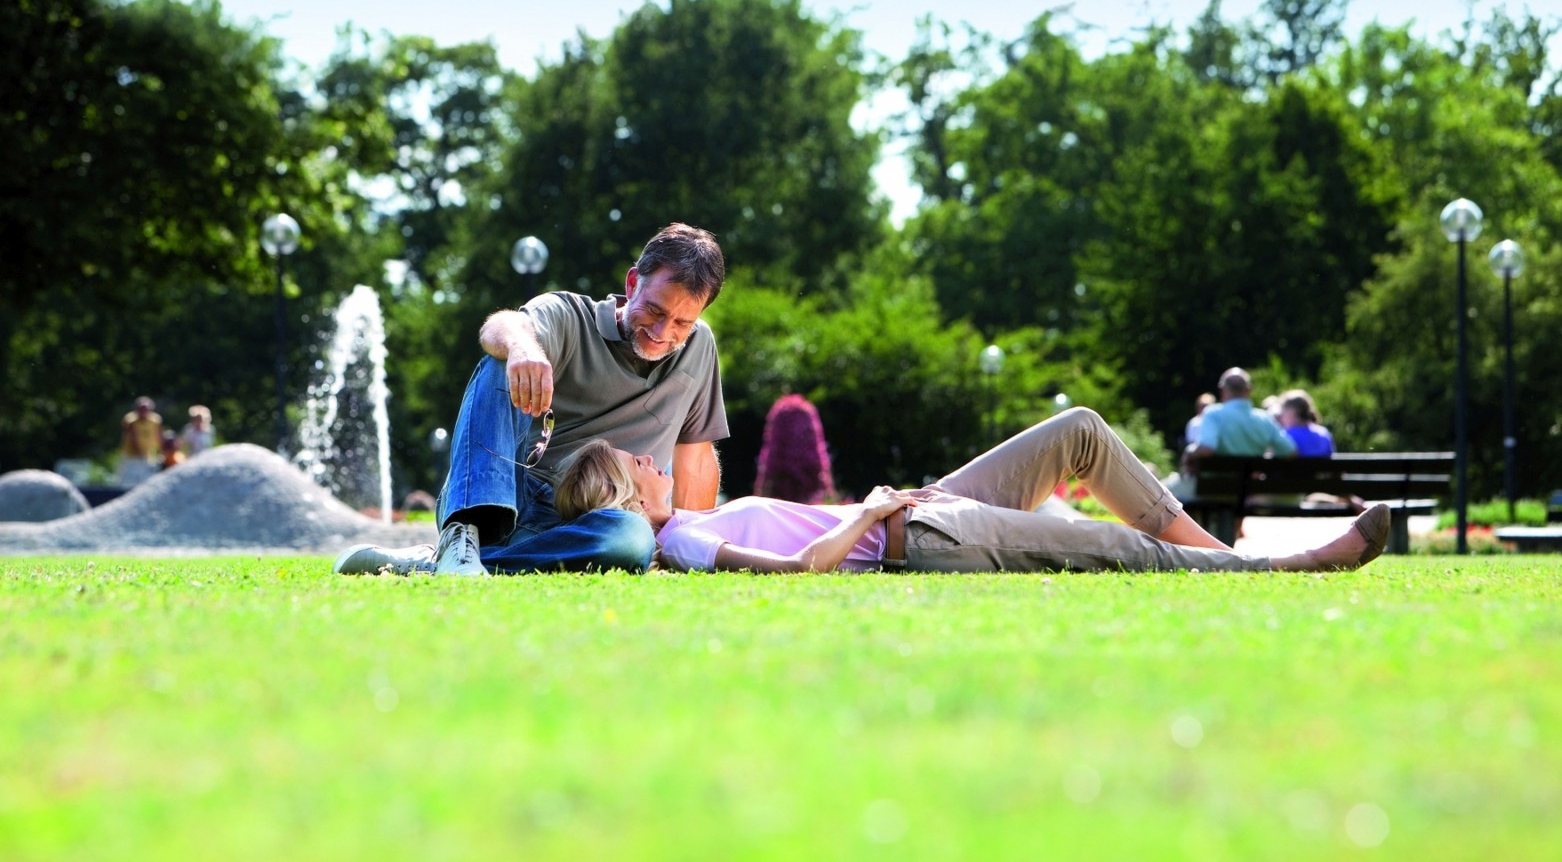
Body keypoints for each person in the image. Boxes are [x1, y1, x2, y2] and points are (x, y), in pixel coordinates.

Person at [555, 408, 1391, 576]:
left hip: (916, 511)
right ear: (628, 495)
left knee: (1079, 432)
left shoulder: (689, 525)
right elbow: (803, 568)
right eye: (643, 464)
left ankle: (1220, 556)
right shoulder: (682, 542)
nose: (659, 460)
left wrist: (881, 500)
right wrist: (876, 513)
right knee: (1113, 549)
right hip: (917, 536)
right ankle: (1288, 569)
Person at [334, 223, 729, 577]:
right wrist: (524, 348)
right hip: (520, 507)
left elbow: (695, 458)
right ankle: (464, 533)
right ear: (631, 284)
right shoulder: (571, 316)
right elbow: (502, 326)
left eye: (682, 322)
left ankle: (441, 565)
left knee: (630, 537)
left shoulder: (699, 348)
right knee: (500, 360)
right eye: (655, 311)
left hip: (605, 521)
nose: (663, 332)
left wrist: (690, 545)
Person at [1181, 367, 1297, 472]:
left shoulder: (1213, 414)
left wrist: (1189, 452)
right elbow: (1290, 451)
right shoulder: (1264, 418)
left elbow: (1207, 449)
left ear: (1221, 391)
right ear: (1249, 390)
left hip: (1215, 490)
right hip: (1250, 491)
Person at [118, 396, 163, 486]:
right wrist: (140, 452)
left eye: (145, 408)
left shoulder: (155, 420)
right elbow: (133, 438)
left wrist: (160, 451)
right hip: (131, 456)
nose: (143, 411)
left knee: (145, 481)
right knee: (127, 481)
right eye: (141, 408)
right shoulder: (131, 420)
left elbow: (158, 435)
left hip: (147, 455)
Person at [1276, 389, 1335, 457]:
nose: (1281, 418)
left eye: (1283, 413)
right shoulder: (1324, 433)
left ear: (1293, 414)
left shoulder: (1285, 436)